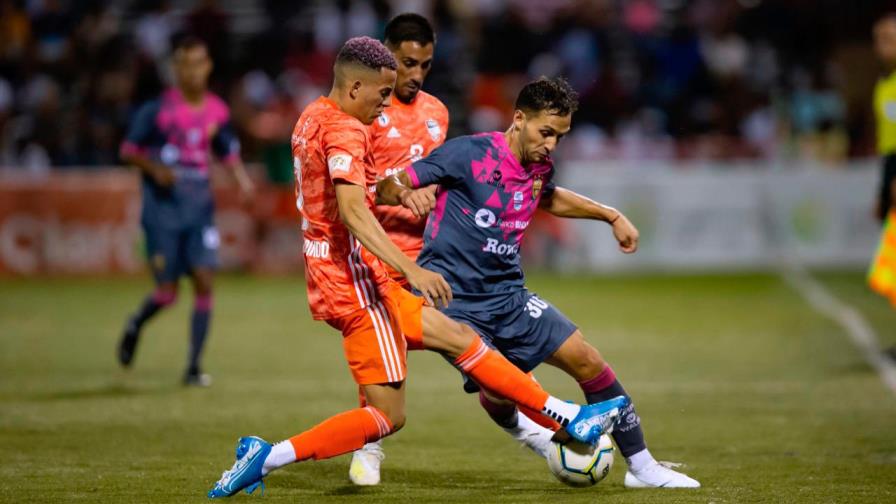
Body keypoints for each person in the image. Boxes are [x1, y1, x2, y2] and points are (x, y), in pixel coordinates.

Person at [206, 37, 627, 499]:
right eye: (382, 93)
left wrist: (405, 194)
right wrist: (413, 268)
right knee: (387, 416)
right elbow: (353, 211)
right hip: (355, 281)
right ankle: (266, 457)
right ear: (354, 87)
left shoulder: (311, 116)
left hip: (336, 270)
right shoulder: (347, 130)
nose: (387, 103)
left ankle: (562, 415)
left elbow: (359, 196)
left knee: (460, 339)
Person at [377, 76, 700, 489]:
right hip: (454, 301)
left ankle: (642, 466)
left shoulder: (539, 166)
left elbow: (547, 196)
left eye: (560, 137)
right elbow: (388, 187)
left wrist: (610, 215)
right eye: (545, 132)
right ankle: (527, 431)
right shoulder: (468, 154)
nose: (551, 144)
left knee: (586, 358)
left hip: (510, 294)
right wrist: (405, 192)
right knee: (502, 386)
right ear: (518, 119)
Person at [116, 36, 254, 386]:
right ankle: (136, 323)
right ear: (176, 69)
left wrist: (241, 180)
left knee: (205, 282)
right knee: (167, 293)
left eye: (198, 63)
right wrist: (154, 169)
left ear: (208, 67)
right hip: (162, 213)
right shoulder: (157, 110)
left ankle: (193, 367)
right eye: (185, 64)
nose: (192, 71)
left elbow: (227, 151)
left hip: (199, 211)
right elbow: (129, 150)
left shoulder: (217, 111)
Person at [348, 13, 449, 485]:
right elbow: (356, 190)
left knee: (480, 339)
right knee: (387, 358)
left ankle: (529, 426)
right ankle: (370, 446)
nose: (415, 75)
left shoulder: (437, 113)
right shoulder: (364, 112)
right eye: (407, 63)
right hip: (377, 255)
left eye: (425, 65)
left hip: (431, 255)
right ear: (385, 54)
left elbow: (439, 177)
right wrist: (402, 193)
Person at [870, 14, 896, 360]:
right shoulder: (883, 86)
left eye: (890, 38)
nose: (883, 45)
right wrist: (882, 189)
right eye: (880, 39)